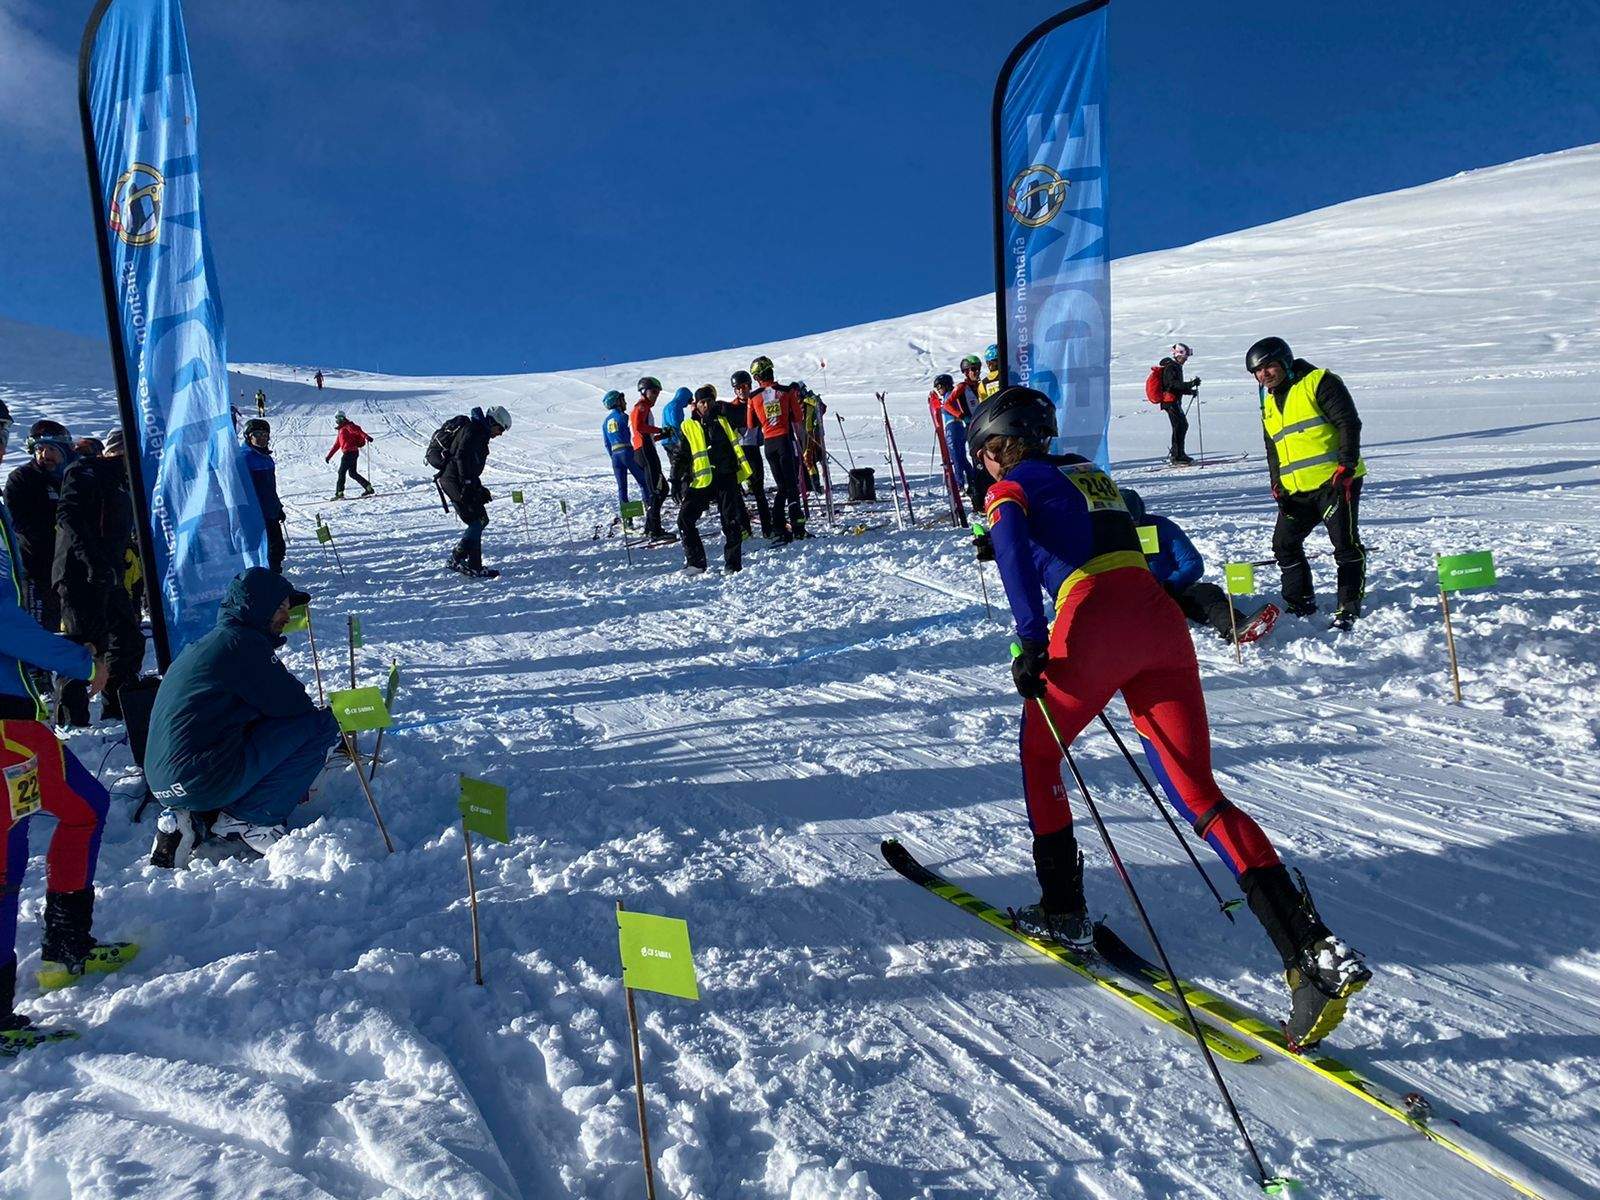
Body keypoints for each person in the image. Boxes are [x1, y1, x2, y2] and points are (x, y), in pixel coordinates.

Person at [968, 386, 1370, 1047]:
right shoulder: (1087, 474)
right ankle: (1311, 952)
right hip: (1158, 623)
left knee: (1041, 756)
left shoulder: (1012, 482)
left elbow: (1008, 528)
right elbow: (1091, 531)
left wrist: (1030, 633)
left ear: (1002, 443)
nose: (985, 465)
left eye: (985, 451)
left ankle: (1063, 911)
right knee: (1201, 795)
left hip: (1092, 619)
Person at [0, 398, 131, 1053]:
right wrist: (76, 658)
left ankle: (65, 950)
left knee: (42, 830)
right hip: (4, 724)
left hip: (15, 718)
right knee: (55, 825)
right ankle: (53, 959)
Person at [146, 568, 341, 866]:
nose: (287, 617)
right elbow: (297, 707)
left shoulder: (211, 643)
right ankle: (253, 820)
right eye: (280, 608)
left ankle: (193, 822)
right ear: (258, 606)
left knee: (255, 729)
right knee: (323, 725)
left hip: (164, 782)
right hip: (201, 777)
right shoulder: (242, 645)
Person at [1246, 337, 1367, 630]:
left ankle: (1347, 607)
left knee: (1345, 545)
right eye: (1257, 372)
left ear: (1285, 362)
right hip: (1295, 489)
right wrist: (1277, 482)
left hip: (1334, 481)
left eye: (1269, 367)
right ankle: (1300, 602)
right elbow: (1273, 445)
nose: (1264, 375)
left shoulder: (1318, 381)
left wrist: (1347, 465)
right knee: (1284, 544)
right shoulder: (1268, 400)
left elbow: (1348, 422)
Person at [53, 436, 142, 725]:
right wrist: (91, 560)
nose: (124, 457)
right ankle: (72, 721)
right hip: (79, 573)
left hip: (109, 573)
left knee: (128, 640)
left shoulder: (124, 483)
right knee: (84, 645)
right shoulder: (86, 471)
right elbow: (69, 515)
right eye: (119, 451)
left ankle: (117, 709)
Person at [1120, 488, 1278, 644]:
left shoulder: (1162, 527)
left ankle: (1235, 627)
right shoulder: (1101, 536)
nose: (1132, 527)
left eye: (1134, 522)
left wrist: (1169, 583)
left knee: (1207, 593)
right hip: (1129, 596)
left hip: (1171, 589)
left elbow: (1192, 563)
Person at [669, 386, 751, 575]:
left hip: (726, 477)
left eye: (709, 401)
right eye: (702, 402)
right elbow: (680, 455)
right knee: (684, 519)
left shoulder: (724, 419)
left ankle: (733, 564)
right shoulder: (688, 426)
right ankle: (696, 563)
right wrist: (674, 480)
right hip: (702, 481)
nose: (706, 405)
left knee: (730, 521)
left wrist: (722, 408)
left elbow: (742, 412)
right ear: (696, 405)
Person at [4, 420, 72, 634]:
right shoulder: (22, 478)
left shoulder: (73, 478)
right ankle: (36, 668)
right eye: (40, 450)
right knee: (40, 626)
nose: (44, 455)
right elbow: (18, 522)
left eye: (51, 449)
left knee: (74, 625)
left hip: (70, 567)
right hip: (36, 567)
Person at [439, 404, 511, 578]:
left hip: (460, 481)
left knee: (482, 519)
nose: (500, 434)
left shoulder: (479, 432)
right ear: (493, 422)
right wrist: (469, 483)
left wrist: (478, 487)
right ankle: (467, 562)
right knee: (476, 521)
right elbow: (461, 456)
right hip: (454, 481)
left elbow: (469, 463)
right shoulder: (475, 430)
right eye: (500, 429)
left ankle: (463, 560)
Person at [745, 355, 805, 541]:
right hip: (784, 441)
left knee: (781, 487)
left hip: (769, 445)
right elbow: (797, 418)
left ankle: (778, 525)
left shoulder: (753, 397)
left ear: (756, 377)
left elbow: (750, 424)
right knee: (791, 486)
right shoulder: (787, 391)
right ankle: (798, 527)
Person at [722, 370, 771, 538]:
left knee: (759, 492)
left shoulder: (757, 401)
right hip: (737, 453)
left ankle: (767, 528)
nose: (742, 390)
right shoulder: (730, 407)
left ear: (750, 386)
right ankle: (745, 529)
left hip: (753, 451)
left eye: (744, 386)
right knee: (736, 493)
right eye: (738, 388)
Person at [629, 378, 673, 540]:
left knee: (660, 489)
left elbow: (645, 435)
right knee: (658, 490)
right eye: (653, 392)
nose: (656, 395)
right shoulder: (641, 407)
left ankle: (651, 526)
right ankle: (654, 529)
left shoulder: (644, 407)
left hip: (644, 450)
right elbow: (639, 428)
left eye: (658, 392)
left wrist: (661, 435)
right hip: (645, 452)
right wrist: (659, 429)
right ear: (643, 392)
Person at [242, 419, 287, 574]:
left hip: (269, 510)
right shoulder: (244, 458)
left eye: (265, 435)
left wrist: (278, 507)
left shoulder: (265, 457)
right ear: (248, 436)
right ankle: (268, 580)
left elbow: (269, 488)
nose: (262, 438)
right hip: (255, 513)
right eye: (257, 434)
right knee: (266, 549)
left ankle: (273, 577)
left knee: (278, 547)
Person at [1146, 343, 1200, 465]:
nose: (1186, 359)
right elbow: (1172, 384)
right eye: (1185, 356)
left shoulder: (1175, 366)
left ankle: (1179, 454)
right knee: (1180, 426)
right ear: (1178, 355)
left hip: (1172, 401)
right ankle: (1177, 456)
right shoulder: (1171, 367)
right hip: (1169, 402)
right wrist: (1190, 384)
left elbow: (1176, 387)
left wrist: (1189, 391)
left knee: (1181, 426)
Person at [602, 391, 651, 509]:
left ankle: (628, 520)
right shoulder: (624, 417)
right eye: (623, 400)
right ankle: (649, 507)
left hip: (615, 456)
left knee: (622, 488)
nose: (625, 402)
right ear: (617, 402)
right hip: (627, 452)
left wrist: (614, 456)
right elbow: (635, 433)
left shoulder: (605, 422)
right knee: (643, 481)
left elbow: (606, 444)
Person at [933, 368, 976, 492]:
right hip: (958, 427)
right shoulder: (951, 395)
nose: (938, 390)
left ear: (945, 385)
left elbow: (947, 408)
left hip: (953, 427)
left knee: (956, 457)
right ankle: (972, 479)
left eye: (939, 386)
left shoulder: (949, 395)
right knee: (961, 457)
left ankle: (959, 484)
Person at [325, 412, 374, 499]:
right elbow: (337, 445)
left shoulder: (348, 426)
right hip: (352, 453)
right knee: (352, 473)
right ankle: (368, 487)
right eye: (337, 418)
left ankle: (339, 493)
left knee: (341, 472)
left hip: (349, 453)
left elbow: (358, 431)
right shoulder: (341, 430)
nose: (338, 419)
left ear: (344, 418)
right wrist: (329, 456)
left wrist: (366, 437)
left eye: (340, 417)